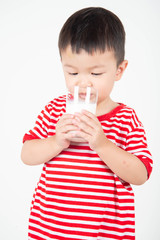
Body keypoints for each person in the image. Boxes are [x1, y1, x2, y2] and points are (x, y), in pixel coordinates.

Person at [21, 7, 153, 240]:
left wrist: (102, 145)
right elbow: (27, 154)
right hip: (49, 230)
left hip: (103, 233)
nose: (83, 84)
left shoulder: (125, 119)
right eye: (72, 73)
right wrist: (55, 141)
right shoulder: (54, 110)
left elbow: (141, 174)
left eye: (95, 74)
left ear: (119, 70)